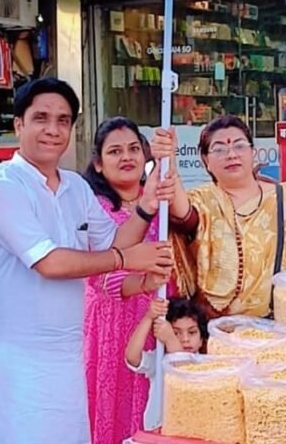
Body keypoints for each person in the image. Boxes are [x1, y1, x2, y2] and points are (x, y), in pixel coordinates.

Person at [0, 78, 175, 444]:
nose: (53, 129)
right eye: (41, 118)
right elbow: (49, 263)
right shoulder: (1, 185)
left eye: (63, 120)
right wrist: (125, 259)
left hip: (68, 351)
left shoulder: (75, 187)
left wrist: (146, 204)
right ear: (18, 124)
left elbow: (113, 239)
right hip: (14, 356)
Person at [82, 116, 177, 443]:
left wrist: (169, 158)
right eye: (115, 151)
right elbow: (100, 274)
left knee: (160, 404)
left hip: (161, 316)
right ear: (98, 163)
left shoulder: (161, 200)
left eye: (134, 149)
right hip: (115, 323)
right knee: (119, 408)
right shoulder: (94, 208)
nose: (127, 157)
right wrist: (142, 284)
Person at [152, 115, 286, 320]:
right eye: (219, 149)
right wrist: (169, 162)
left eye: (239, 146)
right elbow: (184, 217)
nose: (231, 154)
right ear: (206, 161)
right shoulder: (203, 199)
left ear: (253, 152)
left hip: (277, 326)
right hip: (216, 328)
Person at [125, 297, 209, 431]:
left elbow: (185, 373)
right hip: (157, 429)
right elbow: (132, 357)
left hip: (189, 431)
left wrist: (171, 339)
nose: (185, 339)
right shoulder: (159, 359)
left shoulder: (206, 365)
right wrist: (149, 317)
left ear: (202, 339)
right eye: (176, 333)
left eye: (192, 332)